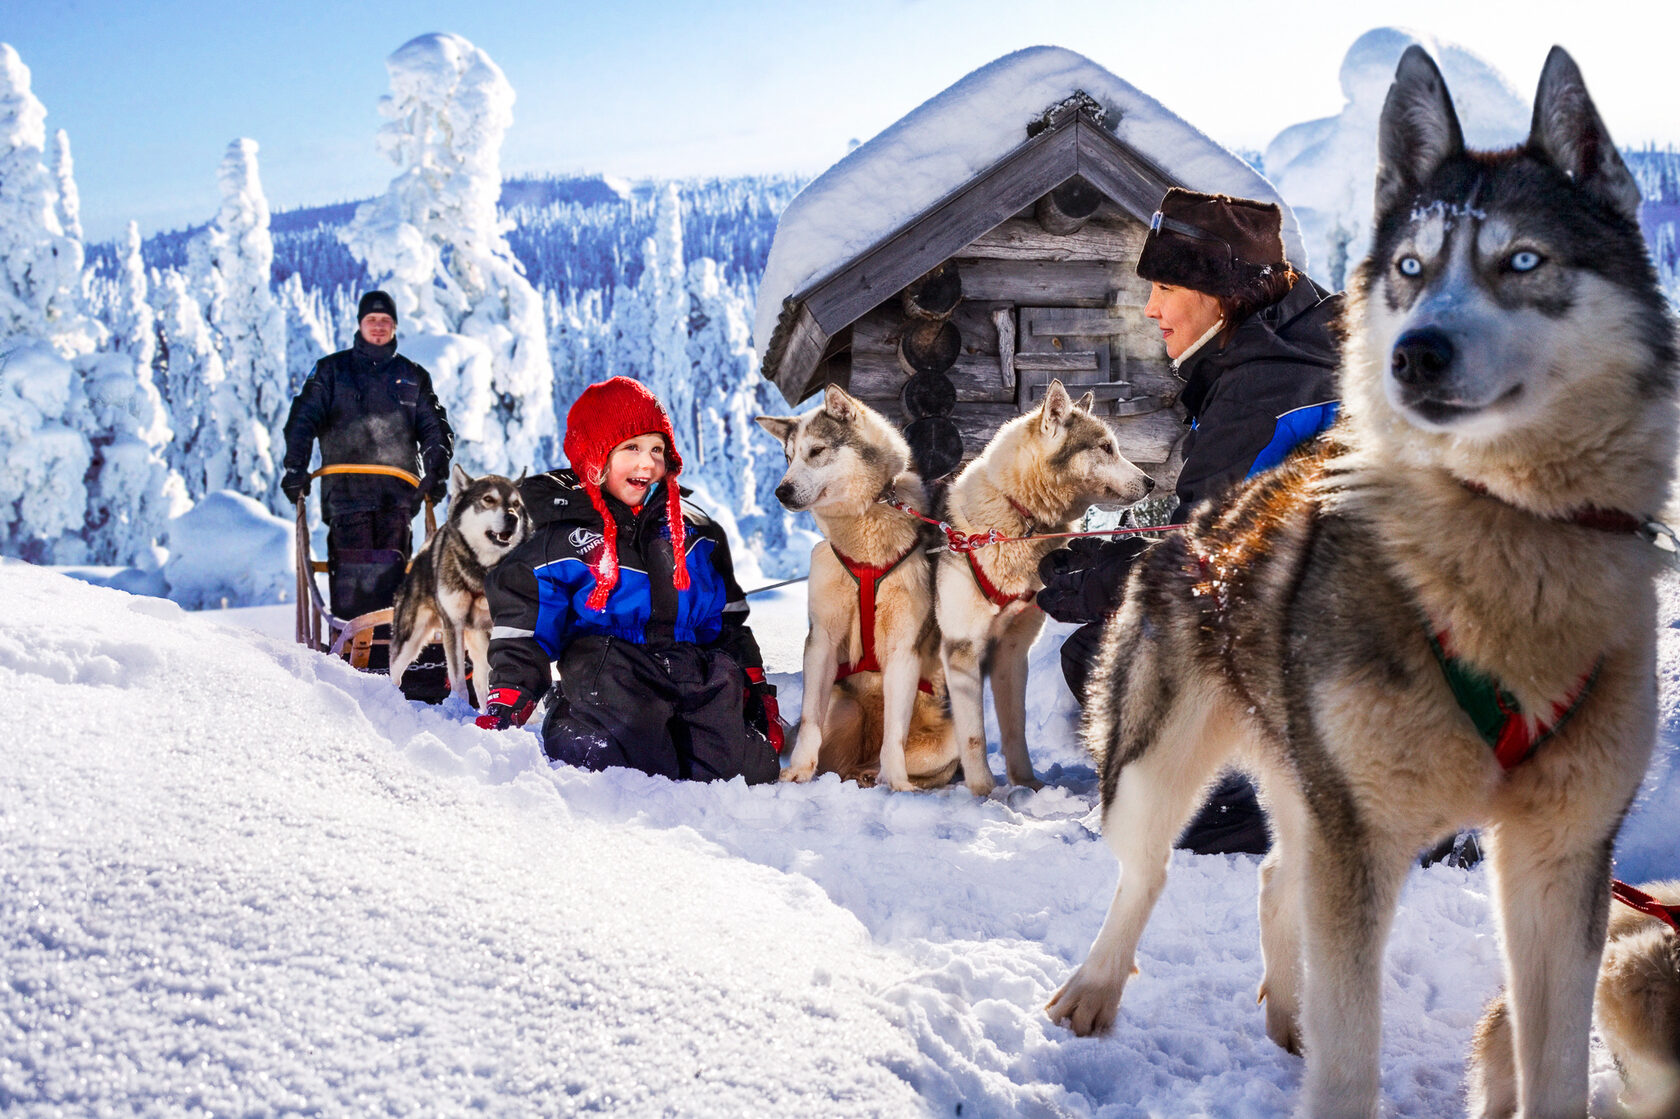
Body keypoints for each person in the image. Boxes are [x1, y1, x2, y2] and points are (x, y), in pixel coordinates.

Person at [1037, 188, 1342, 854]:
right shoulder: (1291, 352)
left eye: (1168, 285)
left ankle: (1249, 811)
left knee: (1106, 655)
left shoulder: (1270, 385)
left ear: (1222, 293)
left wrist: (1100, 580)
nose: (1151, 307)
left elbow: (1206, 558)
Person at [477, 376, 782, 785]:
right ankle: (581, 729)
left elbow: (727, 624)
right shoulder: (558, 534)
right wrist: (510, 695)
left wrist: (757, 692)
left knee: (744, 768)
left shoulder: (697, 533)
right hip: (609, 670)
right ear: (595, 456)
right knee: (617, 755)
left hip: (688, 668)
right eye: (631, 448)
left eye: (656, 449)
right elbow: (524, 628)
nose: (646, 463)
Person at [281, 291, 454, 642]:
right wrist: (296, 468)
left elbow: (434, 427)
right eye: (372, 320)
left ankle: (391, 651)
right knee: (352, 572)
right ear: (360, 324)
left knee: (394, 572)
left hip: (398, 497)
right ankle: (348, 649)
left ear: (394, 327)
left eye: (385, 321)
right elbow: (303, 419)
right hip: (346, 495)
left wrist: (436, 470)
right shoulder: (331, 371)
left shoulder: (411, 375)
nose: (378, 326)